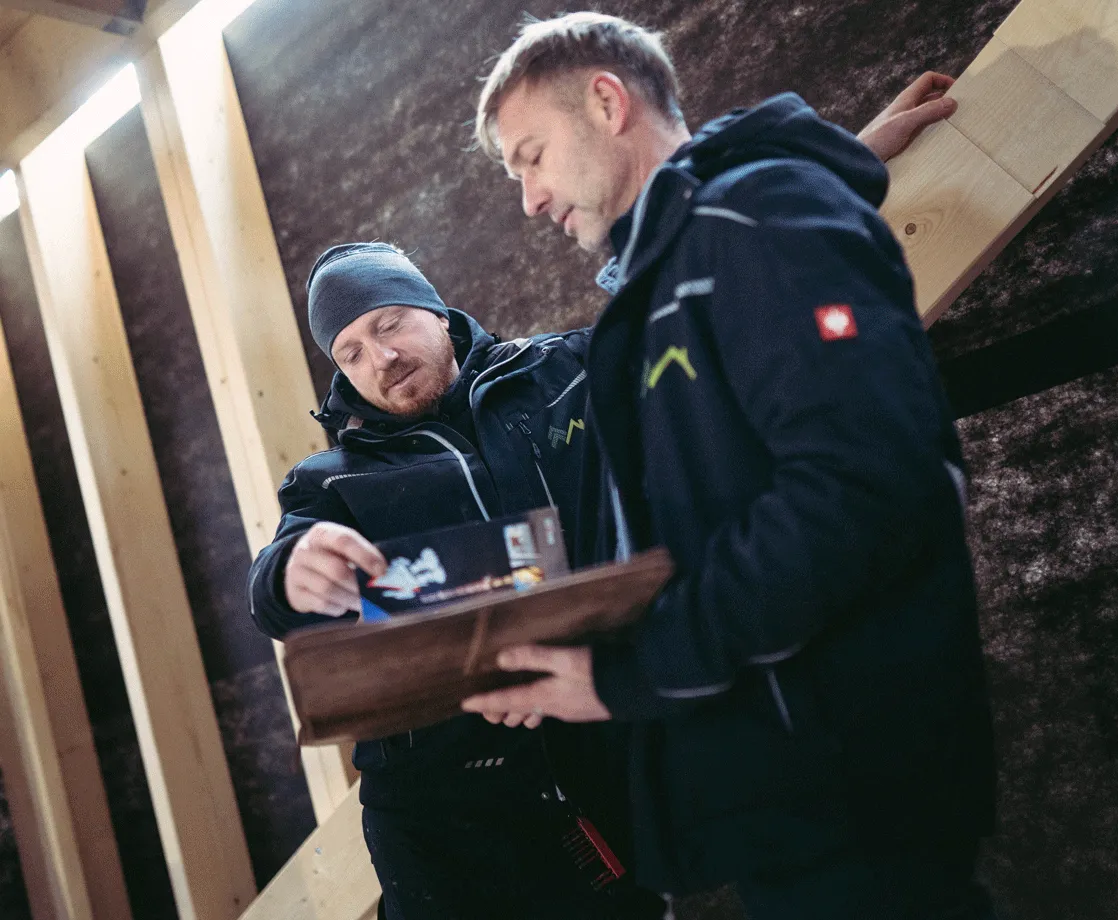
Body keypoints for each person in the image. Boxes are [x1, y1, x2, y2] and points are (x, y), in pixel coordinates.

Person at [462, 13, 997, 920]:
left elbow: (860, 490)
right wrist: (579, 653)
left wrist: (632, 675)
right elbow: (697, 524)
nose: (529, 199)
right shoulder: (671, 272)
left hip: (846, 787)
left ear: (605, 101)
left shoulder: (756, 218)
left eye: (532, 155)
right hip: (780, 794)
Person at [247, 242, 667, 919]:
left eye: (388, 324)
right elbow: (271, 591)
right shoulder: (330, 480)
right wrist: (287, 574)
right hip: (441, 816)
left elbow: (687, 321)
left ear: (439, 314)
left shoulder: (562, 371)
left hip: (605, 755)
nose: (379, 359)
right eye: (349, 353)